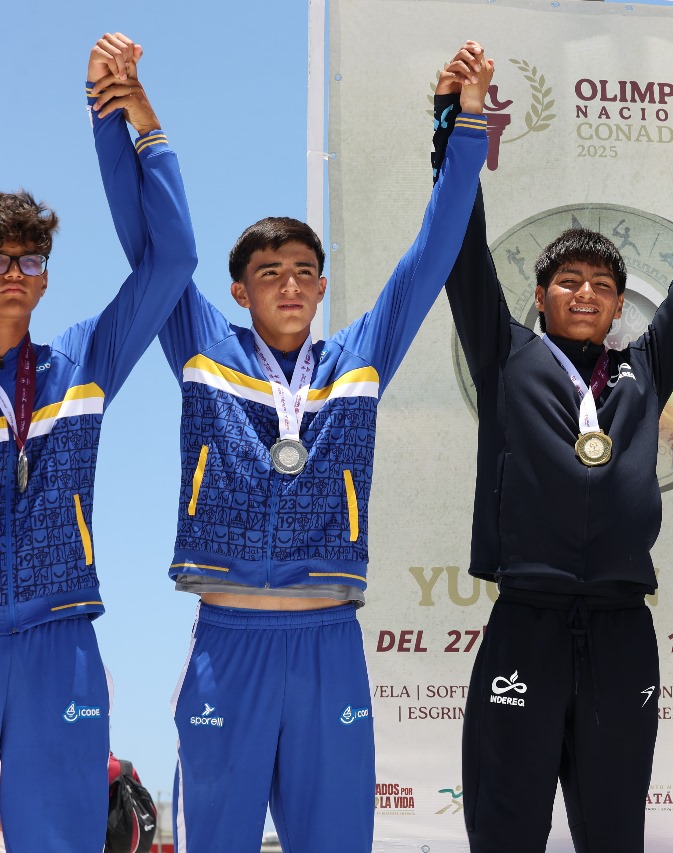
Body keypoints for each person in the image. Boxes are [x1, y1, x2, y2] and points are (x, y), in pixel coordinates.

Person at [90, 33, 490, 852]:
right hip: (227, 641)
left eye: (305, 270)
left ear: (323, 285)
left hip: (327, 641)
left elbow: (433, 251)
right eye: (270, 272)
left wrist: (469, 125)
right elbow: (150, 248)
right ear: (239, 291)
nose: (291, 283)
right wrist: (123, 123)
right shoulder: (203, 344)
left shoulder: (360, 356)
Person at [433, 55, 673, 852]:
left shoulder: (644, 370)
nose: (585, 291)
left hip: (623, 626)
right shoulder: (505, 354)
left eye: (601, 283)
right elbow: (460, 247)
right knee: (507, 827)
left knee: (615, 829)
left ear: (621, 303)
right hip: (525, 617)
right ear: (540, 294)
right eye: (568, 279)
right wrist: (455, 123)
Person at [0, 33, 197, 851]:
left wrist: (129, 122)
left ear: (46, 276)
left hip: (60, 638)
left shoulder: (80, 361)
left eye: (29, 260)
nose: (13, 273)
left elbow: (173, 260)